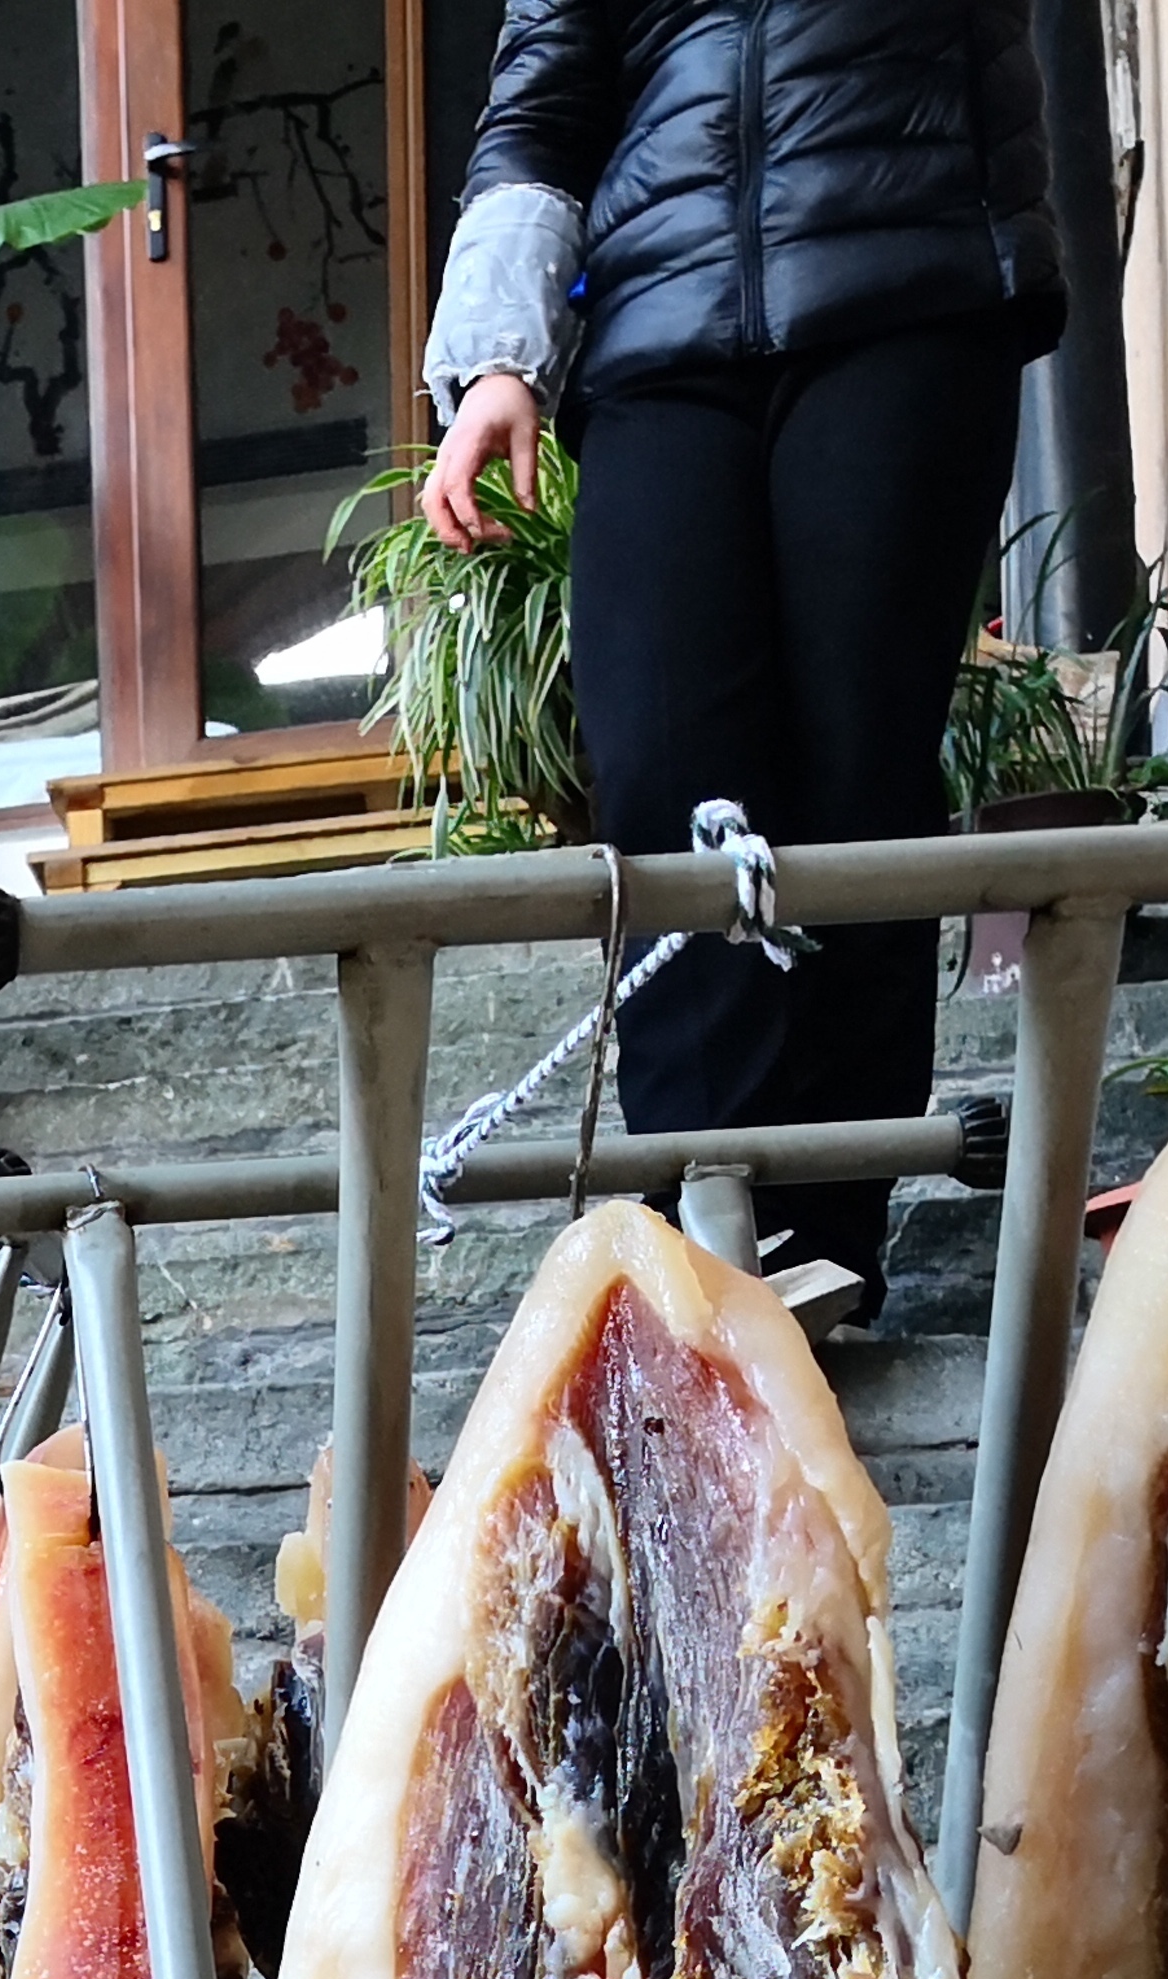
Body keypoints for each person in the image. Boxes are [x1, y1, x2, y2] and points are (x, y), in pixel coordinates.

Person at [417, 0, 1066, 1302]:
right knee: (663, 767)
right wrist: (500, 359)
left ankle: (827, 1219)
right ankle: (700, 1216)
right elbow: (543, 95)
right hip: (660, 331)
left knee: (853, 763)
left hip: (903, 280)